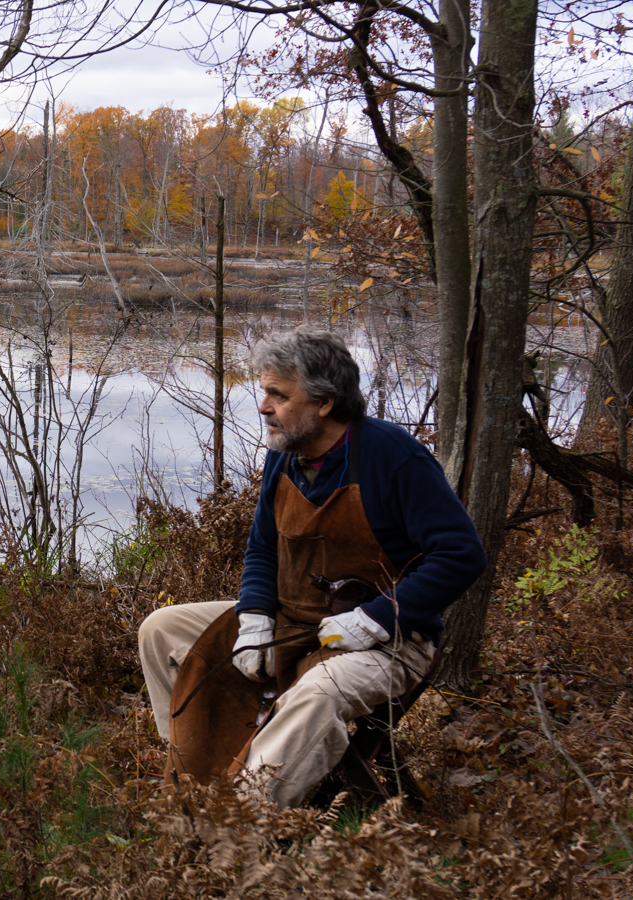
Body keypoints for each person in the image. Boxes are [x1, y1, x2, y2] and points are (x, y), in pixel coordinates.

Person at [139, 325, 486, 808]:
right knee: (161, 629)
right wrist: (257, 617)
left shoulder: (393, 457)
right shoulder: (285, 458)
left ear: (324, 402)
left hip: (393, 643)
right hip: (292, 622)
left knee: (319, 692)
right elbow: (262, 548)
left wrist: (375, 619)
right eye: (264, 392)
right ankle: (188, 773)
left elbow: (462, 554)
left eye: (278, 395)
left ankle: (237, 824)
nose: (263, 407)